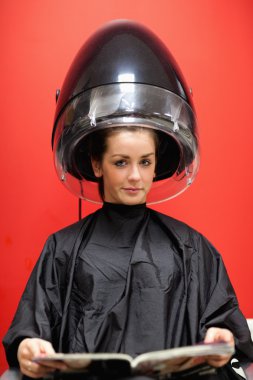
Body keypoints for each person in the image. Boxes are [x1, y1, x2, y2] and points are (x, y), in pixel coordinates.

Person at [3, 20, 253, 380]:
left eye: (145, 162)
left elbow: (226, 332)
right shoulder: (62, 250)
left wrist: (221, 338)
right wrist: (28, 347)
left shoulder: (191, 249)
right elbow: (30, 332)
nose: (136, 176)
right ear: (96, 164)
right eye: (121, 162)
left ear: (157, 165)